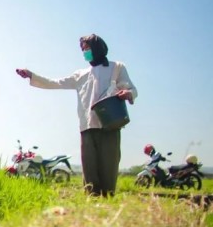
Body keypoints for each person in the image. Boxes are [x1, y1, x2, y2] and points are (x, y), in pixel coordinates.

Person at [15, 34, 137, 196]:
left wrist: (127, 93)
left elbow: (131, 88)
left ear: (98, 47)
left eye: (88, 48)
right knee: (89, 166)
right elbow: (55, 83)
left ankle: (108, 198)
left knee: (109, 164)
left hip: (109, 124)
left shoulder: (117, 67)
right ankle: (92, 198)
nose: (85, 52)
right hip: (87, 127)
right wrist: (32, 76)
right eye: (83, 50)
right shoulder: (81, 74)